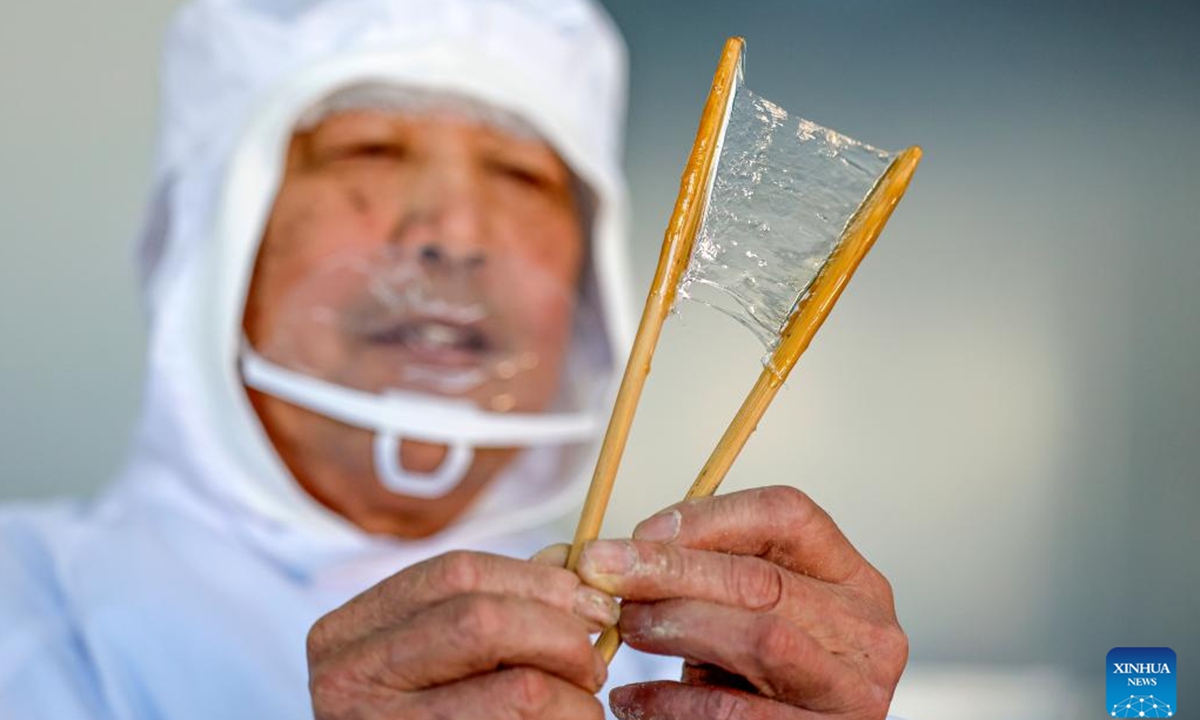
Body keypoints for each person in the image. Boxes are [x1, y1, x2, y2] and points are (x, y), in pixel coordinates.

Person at [0, 0, 908, 718]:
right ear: (208, 243)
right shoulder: (26, 612)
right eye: (370, 149)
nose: (455, 235)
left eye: (520, 175)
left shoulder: (687, 661)